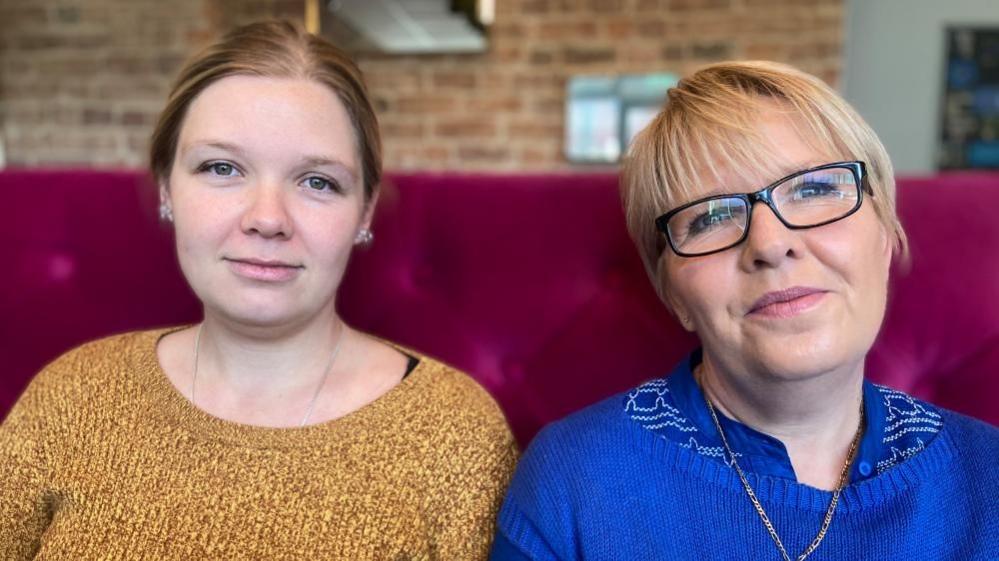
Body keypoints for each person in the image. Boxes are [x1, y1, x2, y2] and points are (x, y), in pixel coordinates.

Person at [1, 20, 516, 560]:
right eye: (222, 167)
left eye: (318, 181)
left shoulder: (456, 436)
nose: (267, 219)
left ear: (364, 211)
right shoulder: (71, 398)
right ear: (166, 191)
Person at [490, 61, 999, 560]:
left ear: (885, 237)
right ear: (672, 292)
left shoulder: (987, 478)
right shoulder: (573, 481)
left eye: (815, 188)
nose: (771, 244)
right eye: (711, 217)